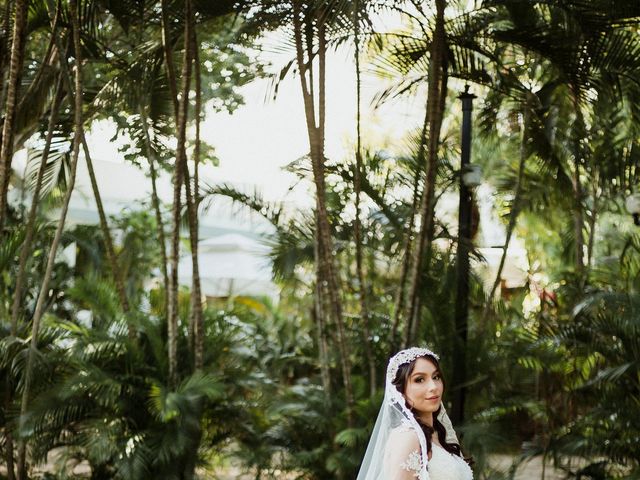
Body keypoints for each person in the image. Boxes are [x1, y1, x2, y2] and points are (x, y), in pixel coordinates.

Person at [356, 347, 473, 480]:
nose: (433, 386)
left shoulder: (438, 433)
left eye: (436, 377)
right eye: (419, 380)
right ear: (401, 391)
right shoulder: (407, 437)